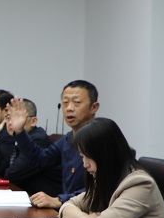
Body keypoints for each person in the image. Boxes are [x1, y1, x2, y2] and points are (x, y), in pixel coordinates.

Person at [57, 117, 164, 218]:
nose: (85, 164)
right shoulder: (108, 178)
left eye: (88, 156)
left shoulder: (140, 184)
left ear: (105, 154)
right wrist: (83, 217)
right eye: (82, 156)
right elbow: (67, 206)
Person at [7, 79, 100, 209]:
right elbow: (40, 160)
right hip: (68, 211)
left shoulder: (102, 139)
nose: (69, 108)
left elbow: (102, 188)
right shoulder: (68, 139)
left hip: (90, 214)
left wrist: (59, 200)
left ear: (94, 107)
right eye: (65, 103)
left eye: (77, 103)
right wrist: (20, 131)